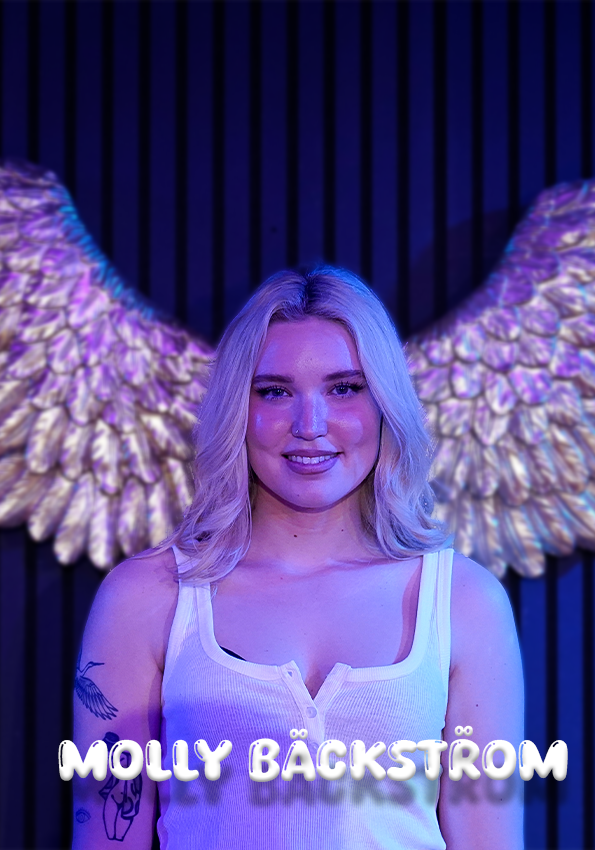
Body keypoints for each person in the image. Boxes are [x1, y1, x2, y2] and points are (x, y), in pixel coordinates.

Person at [72, 266, 523, 849]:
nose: (310, 426)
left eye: (344, 388)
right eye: (275, 391)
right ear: (238, 409)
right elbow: (107, 834)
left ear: (385, 404)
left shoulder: (464, 601)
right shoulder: (147, 596)